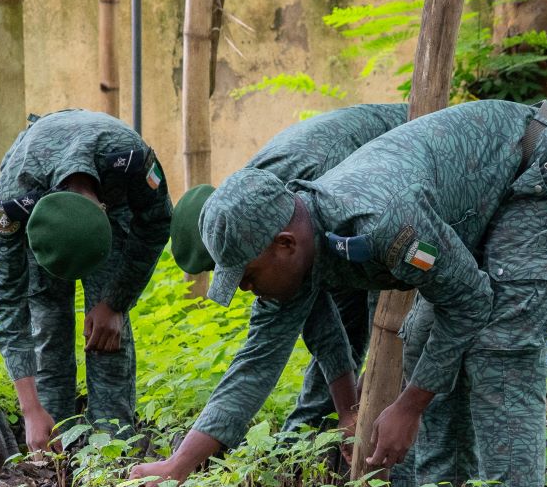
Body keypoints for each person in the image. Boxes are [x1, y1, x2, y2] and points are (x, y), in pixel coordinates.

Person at [130, 100, 547, 487]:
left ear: (285, 244)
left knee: (500, 354)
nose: (248, 290)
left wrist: (409, 405)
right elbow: (255, 364)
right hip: (487, 192)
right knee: (424, 339)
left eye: (247, 277)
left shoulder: (379, 223)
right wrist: (177, 465)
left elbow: (469, 301)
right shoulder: (301, 243)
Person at [171, 103, 408, 435]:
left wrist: (379, 390)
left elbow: (260, 359)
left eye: (242, 271)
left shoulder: (295, 204)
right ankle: (307, 441)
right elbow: (319, 324)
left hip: (402, 192)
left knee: (396, 335)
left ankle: (392, 464)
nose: (243, 285)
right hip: (354, 210)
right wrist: (349, 411)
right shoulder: (257, 215)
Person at [0, 109, 173, 451]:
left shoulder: (132, 160)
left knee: (107, 335)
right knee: (48, 322)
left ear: (101, 208)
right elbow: (6, 295)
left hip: (112, 194)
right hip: (38, 199)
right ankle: (57, 462)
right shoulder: (14, 199)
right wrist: (30, 409)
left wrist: (115, 300)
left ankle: (111, 460)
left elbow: (158, 224)